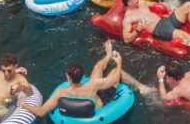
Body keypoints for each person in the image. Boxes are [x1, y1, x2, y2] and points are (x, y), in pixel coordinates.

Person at [18, 43, 151, 117]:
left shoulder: (61, 92)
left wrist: (24, 105)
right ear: (83, 76)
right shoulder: (93, 84)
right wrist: (119, 62)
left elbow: (40, 112)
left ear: (67, 76)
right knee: (117, 71)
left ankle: (108, 55)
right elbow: (116, 77)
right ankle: (142, 87)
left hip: (85, 98)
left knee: (98, 67)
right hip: (96, 101)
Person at [121, 0, 190, 44]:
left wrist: (166, 6)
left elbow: (154, 4)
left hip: (165, 20)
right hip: (159, 29)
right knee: (186, 36)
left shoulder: (141, 3)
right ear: (129, 3)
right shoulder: (128, 18)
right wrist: (138, 29)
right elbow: (126, 39)